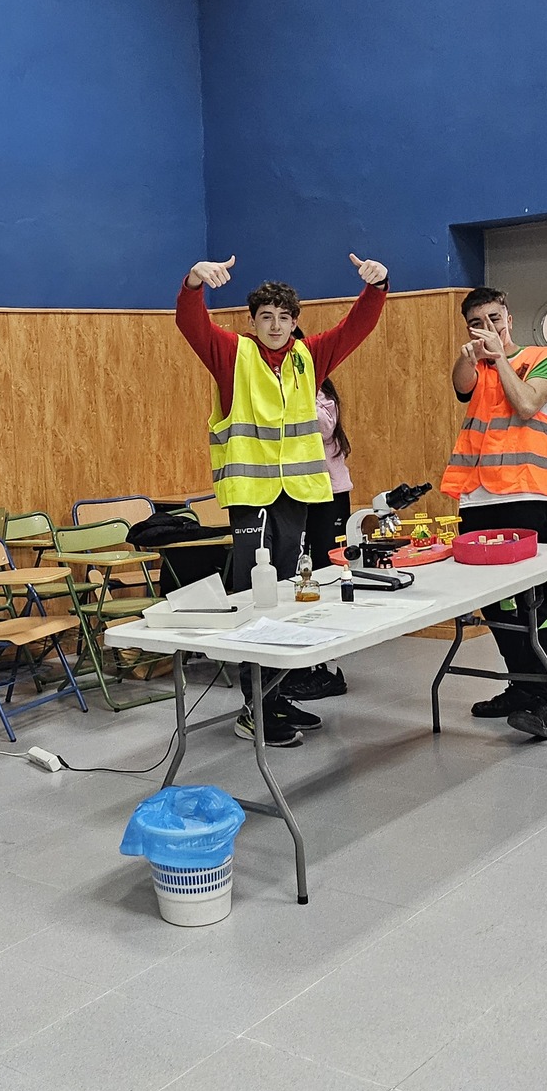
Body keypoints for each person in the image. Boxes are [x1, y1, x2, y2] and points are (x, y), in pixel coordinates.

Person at [176, 252, 389, 745]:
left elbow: (355, 328)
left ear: (295, 323)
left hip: (297, 494)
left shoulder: (309, 357)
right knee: (255, 595)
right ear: (251, 322)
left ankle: (276, 692)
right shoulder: (233, 354)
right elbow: (192, 325)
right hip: (250, 494)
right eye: (265, 318)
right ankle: (254, 706)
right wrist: (192, 284)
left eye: (284, 318)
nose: (275, 326)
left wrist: (377, 288)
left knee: (289, 592)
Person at [440, 287, 547, 741]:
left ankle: (544, 701)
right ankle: (519, 686)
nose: (489, 328)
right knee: (494, 602)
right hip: (477, 497)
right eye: (478, 323)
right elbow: (461, 386)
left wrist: (498, 357)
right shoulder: (475, 365)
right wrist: (471, 355)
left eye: (494, 318)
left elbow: (527, 404)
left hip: (528, 494)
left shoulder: (545, 358)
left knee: (534, 601)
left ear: (509, 317)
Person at [284, 348, 353, 702]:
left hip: (329, 494)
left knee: (327, 573)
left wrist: (299, 388)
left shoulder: (319, 393)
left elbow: (323, 428)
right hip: (295, 493)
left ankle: (330, 667)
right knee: (299, 576)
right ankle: (301, 662)